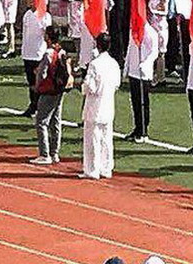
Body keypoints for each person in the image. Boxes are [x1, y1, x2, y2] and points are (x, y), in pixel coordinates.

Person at [80, 33, 121, 179]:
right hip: (108, 105)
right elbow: (117, 84)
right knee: (106, 139)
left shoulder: (95, 64)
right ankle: (106, 168)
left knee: (93, 139)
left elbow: (90, 87)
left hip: (95, 106)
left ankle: (92, 170)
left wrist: (83, 84)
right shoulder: (114, 64)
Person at [31, 26, 71, 165]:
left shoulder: (48, 54)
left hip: (48, 90)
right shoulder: (62, 52)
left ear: (48, 37)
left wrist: (37, 86)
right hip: (60, 90)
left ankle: (44, 153)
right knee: (56, 121)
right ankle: (55, 153)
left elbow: (42, 74)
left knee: (41, 121)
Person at [123, 22, 159, 142]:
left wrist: (146, 63)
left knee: (143, 102)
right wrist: (126, 66)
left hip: (143, 73)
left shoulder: (151, 33)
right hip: (133, 71)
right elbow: (130, 48)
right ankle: (137, 127)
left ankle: (143, 130)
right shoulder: (133, 31)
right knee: (135, 102)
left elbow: (154, 52)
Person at [19, 0, 50, 117]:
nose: (27, 1)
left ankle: (40, 107)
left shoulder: (45, 16)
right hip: (28, 53)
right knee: (31, 82)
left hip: (38, 53)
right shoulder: (27, 15)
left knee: (39, 82)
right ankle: (33, 105)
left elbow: (47, 35)